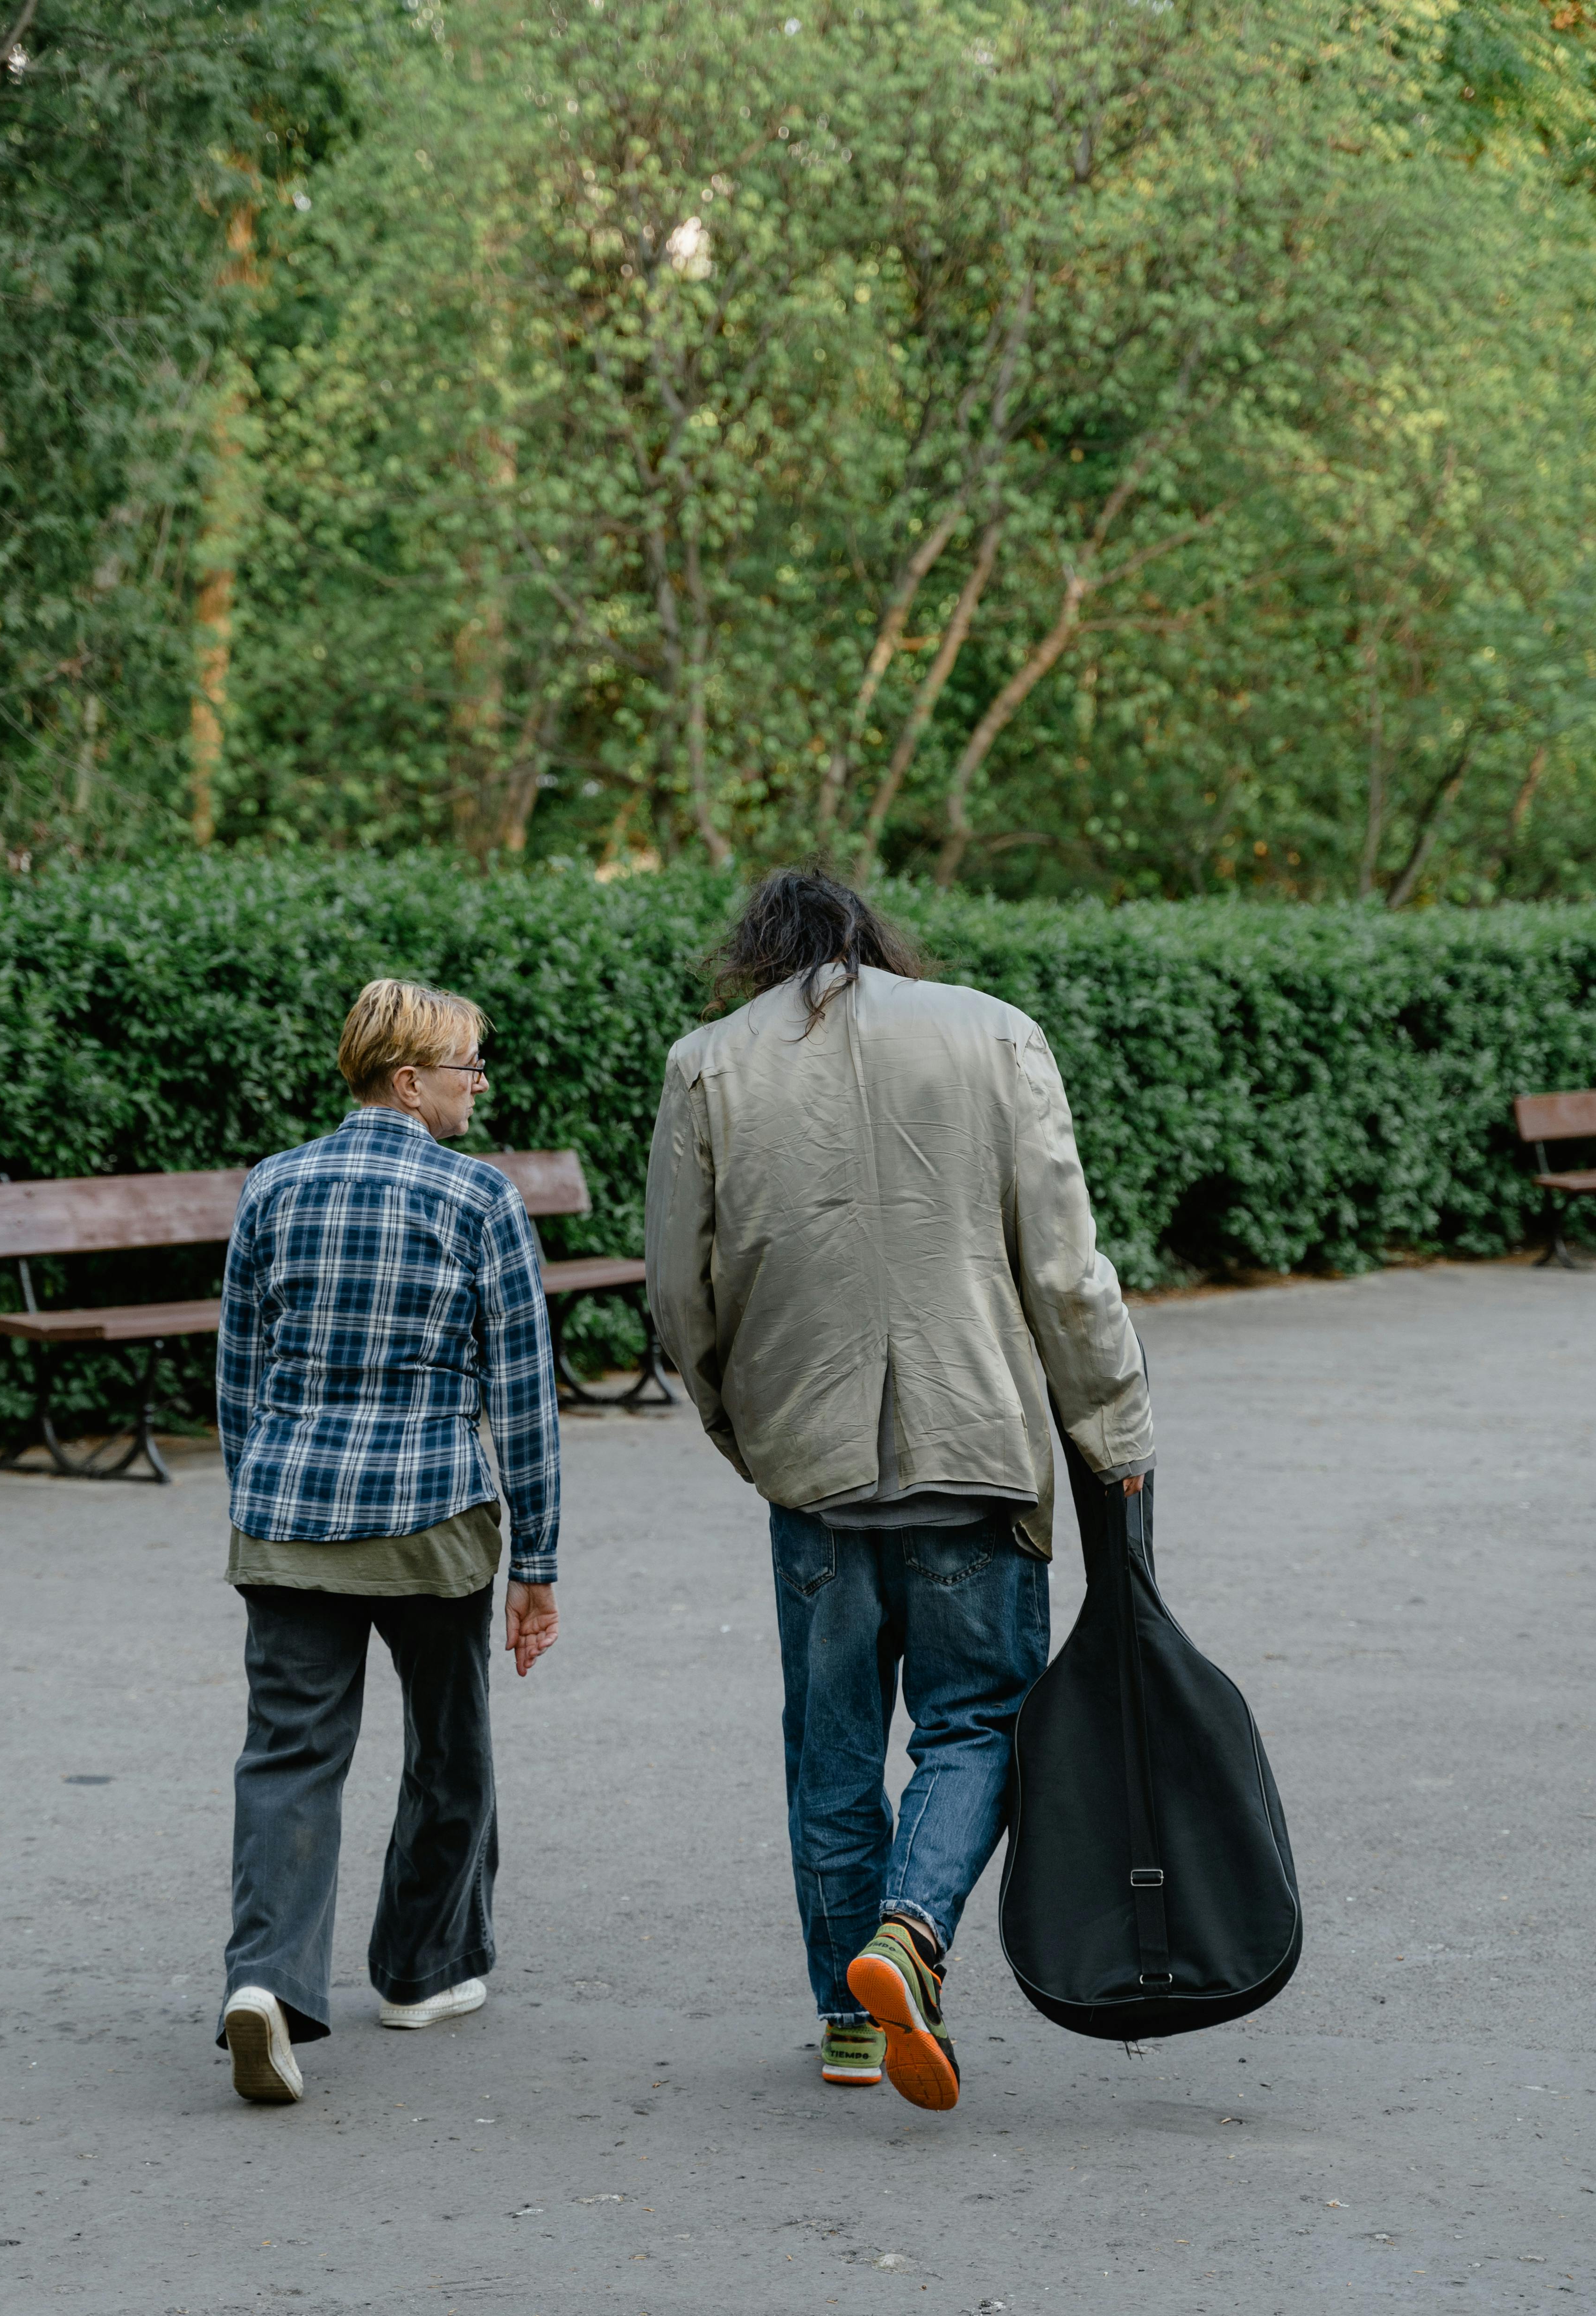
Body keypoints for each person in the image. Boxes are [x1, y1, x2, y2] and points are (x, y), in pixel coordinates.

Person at [645, 871, 1149, 2112]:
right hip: (977, 1451)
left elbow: (678, 1292)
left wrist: (738, 1427)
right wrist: (1114, 1425)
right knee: (978, 1723)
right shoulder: (995, 1035)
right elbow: (1068, 1271)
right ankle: (911, 1934)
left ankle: (849, 2020)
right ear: (877, 940)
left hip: (810, 1469)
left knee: (830, 1755)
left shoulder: (706, 1066)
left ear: (758, 955)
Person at [213, 977, 561, 2106]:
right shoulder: (477, 1200)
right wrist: (539, 1563)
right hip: (431, 1520)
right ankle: (422, 1969)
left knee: (287, 1757)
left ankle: (266, 1983)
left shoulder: (272, 1185)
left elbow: (237, 1377)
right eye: (467, 1066)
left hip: (288, 1518)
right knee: (447, 1745)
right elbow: (523, 1400)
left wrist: (260, 1497)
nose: (479, 1084)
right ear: (408, 1081)